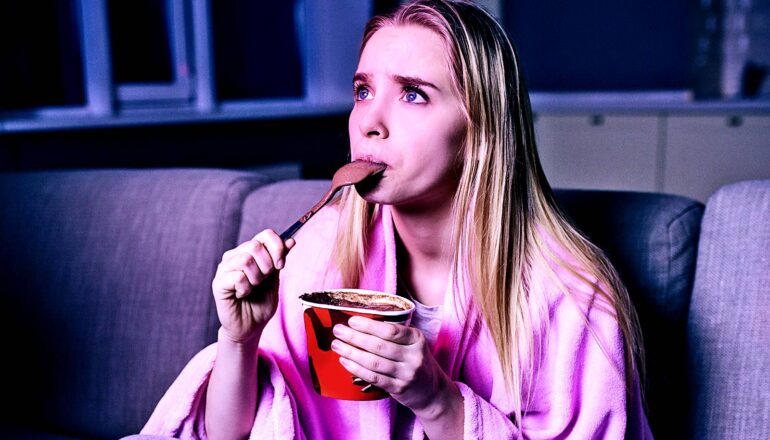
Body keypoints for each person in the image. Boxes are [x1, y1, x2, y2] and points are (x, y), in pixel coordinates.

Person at [142, 1, 653, 438]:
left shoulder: (571, 300)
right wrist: (240, 339)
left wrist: (438, 402)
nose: (369, 121)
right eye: (363, 90)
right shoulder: (320, 251)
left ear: (482, 130)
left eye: (413, 93)